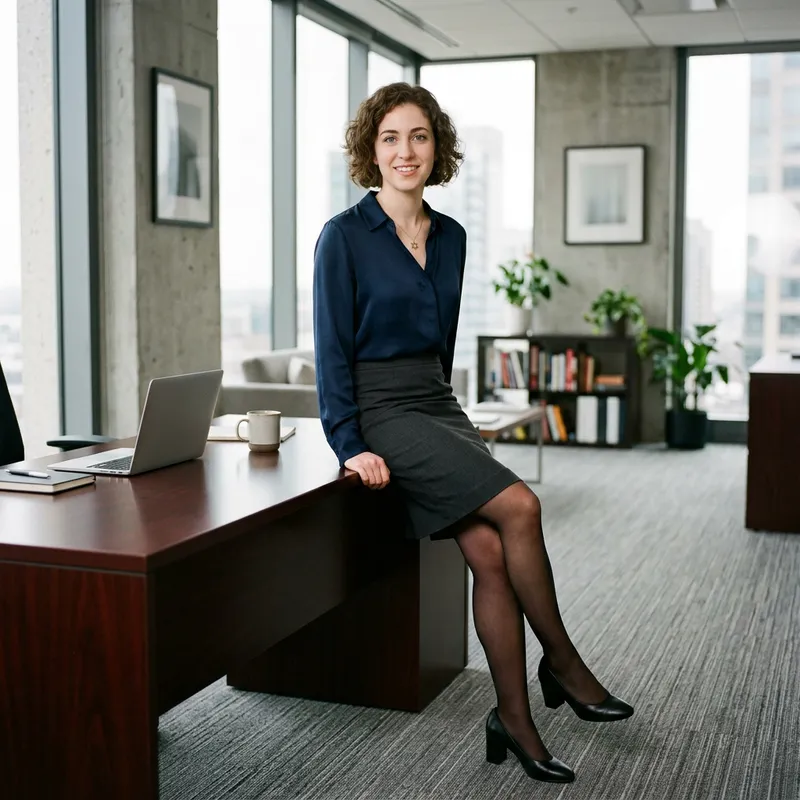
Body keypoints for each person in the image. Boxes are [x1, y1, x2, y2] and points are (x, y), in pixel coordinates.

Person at [312, 82, 633, 785]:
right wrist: (349, 442)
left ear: (438, 148)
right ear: (371, 150)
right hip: (381, 409)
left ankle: (513, 720)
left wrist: (449, 413)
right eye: (391, 138)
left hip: (435, 400)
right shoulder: (344, 236)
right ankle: (564, 664)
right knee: (522, 505)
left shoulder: (452, 236)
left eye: (419, 136)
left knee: (489, 552)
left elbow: (444, 338)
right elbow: (331, 351)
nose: (406, 151)